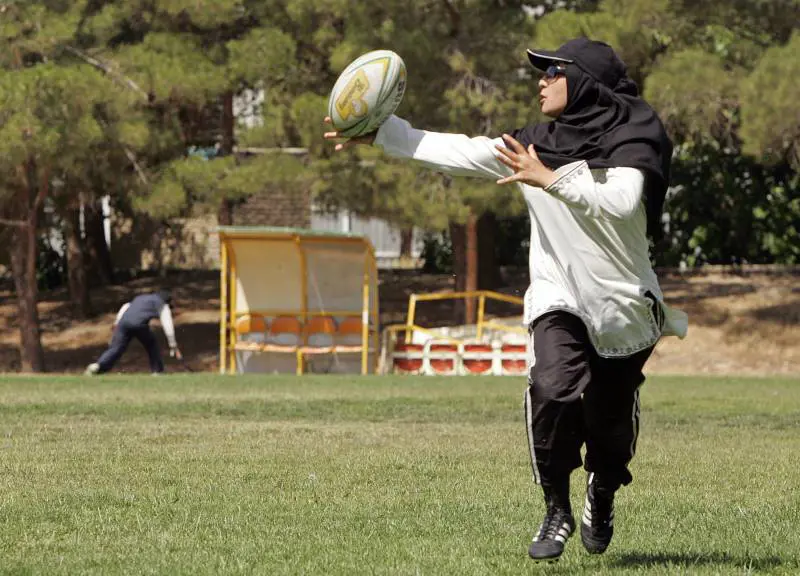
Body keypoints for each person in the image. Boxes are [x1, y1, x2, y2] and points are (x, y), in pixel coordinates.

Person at [324, 37, 688, 561]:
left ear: (584, 79)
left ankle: (602, 489)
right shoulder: (534, 144)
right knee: (552, 389)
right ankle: (556, 506)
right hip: (558, 295)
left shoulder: (636, 136)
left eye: (552, 72)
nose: (540, 81)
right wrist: (382, 133)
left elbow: (620, 201)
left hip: (624, 307)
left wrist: (550, 178)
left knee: (609, 425)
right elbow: (461, 151)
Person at [85, 289, 182, 375]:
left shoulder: (141, 298)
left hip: (123, 323)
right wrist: (173, 345)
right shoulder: (162, 304)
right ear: (167, 301)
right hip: (139, 324)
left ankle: (98, 366)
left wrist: (117, 322)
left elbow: (125, 306)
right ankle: (157, 371)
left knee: (115, 348)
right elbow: (167, 324)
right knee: (152, 344)